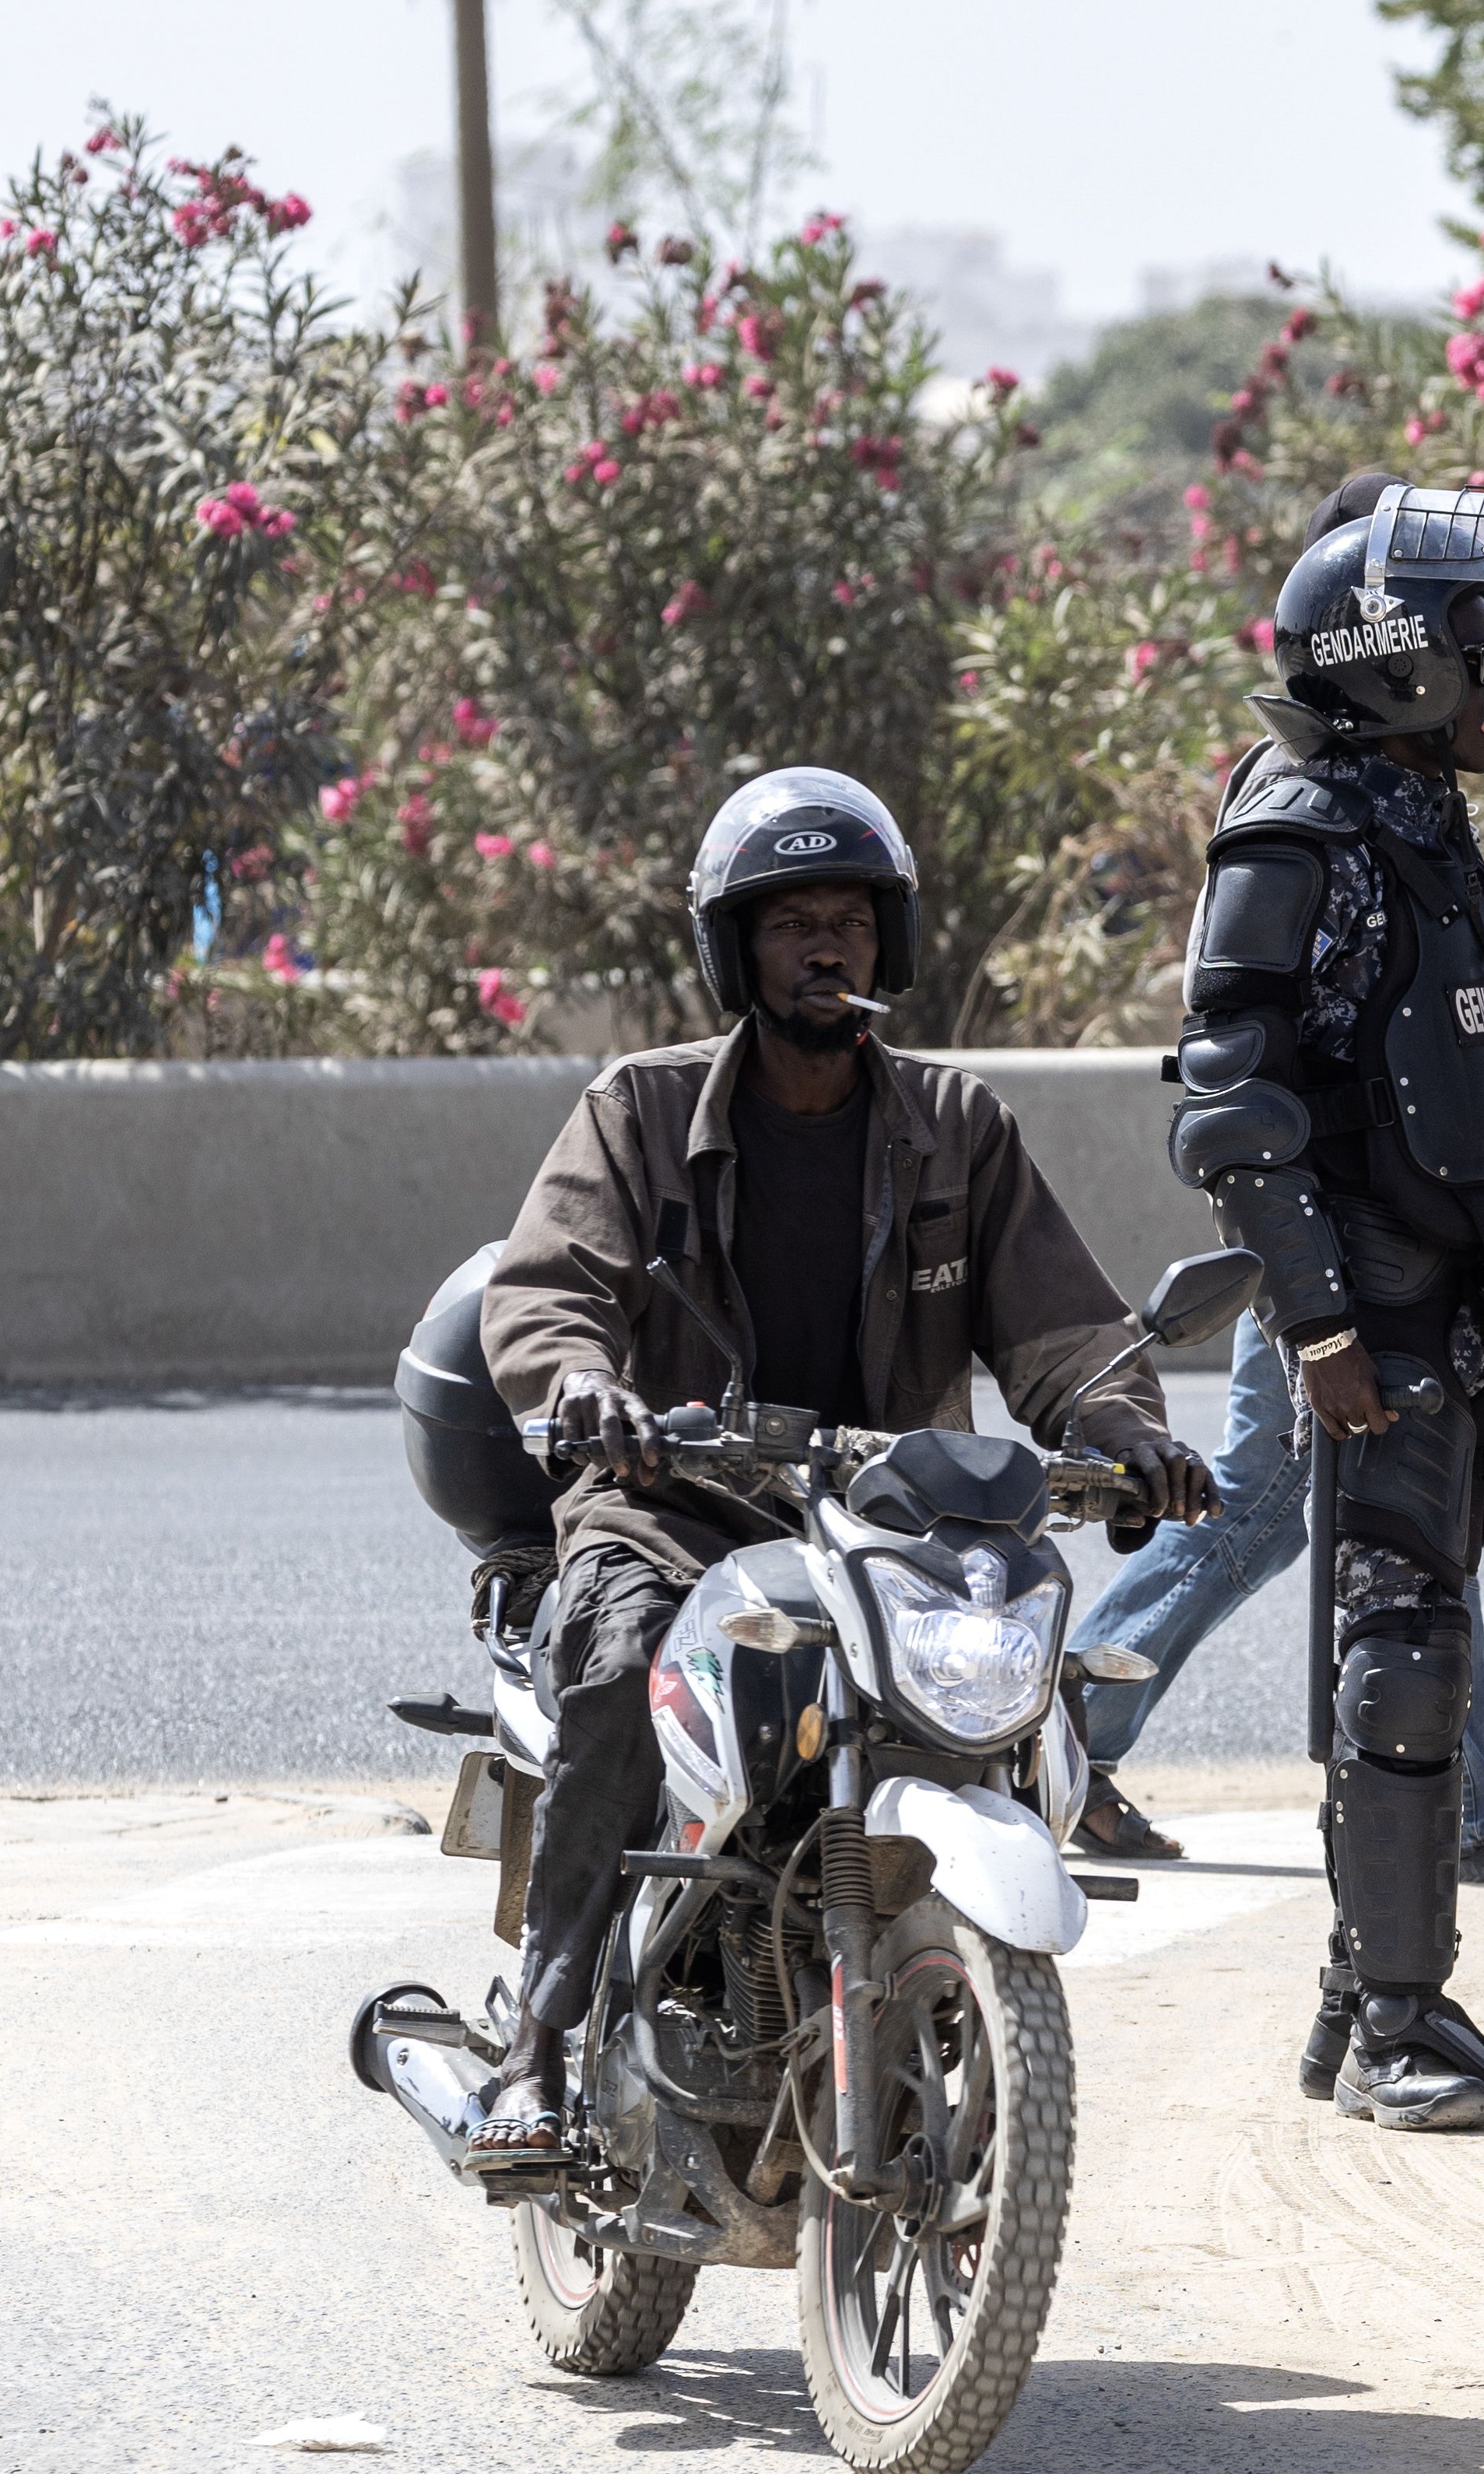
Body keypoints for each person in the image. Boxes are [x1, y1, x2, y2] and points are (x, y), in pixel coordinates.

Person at [461, 767, 1215, 2167]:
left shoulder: (957, 1127)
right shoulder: (641, 1110)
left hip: (885, 1523)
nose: (828, 946)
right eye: (793, 921)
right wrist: (589, 1391)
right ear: (733, 949)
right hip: (672, 1504)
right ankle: (540, 2045)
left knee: (995, 1689)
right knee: (622, 1661)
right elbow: (547, 1288)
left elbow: (1060, 1320)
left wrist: (1129, 1432)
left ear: (892, 943)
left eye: (853, 922)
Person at [1165, 472, 1484, 2132]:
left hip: (1453, 1321)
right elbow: (1230, 1099)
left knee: (1413, 1648)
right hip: (1377, 1321)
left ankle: (1369, 2003)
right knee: (1396, 1659)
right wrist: (1323, 1326)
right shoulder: (1300, 818)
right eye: (1474, 648)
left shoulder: (1412, 815)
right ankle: (1400, 2017)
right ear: (1395, 663)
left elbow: (1481, 1088)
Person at [1065, 1306, 1484, 1886]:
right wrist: (1322, 1329)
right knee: (1417, 1513)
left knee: (1259, 1510)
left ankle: (1064, 1744)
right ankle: (1475, 1811)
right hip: (1347, 1277)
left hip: (1383, 1276)